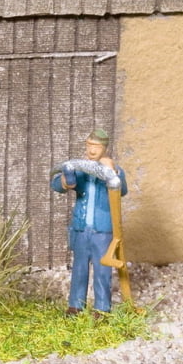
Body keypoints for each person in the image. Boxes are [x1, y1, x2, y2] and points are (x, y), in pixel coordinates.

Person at [50, 129, 127, 317]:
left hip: (103, 229)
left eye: (97, 147)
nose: (92, 150)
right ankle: (75, 305)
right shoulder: (80, 168)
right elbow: (56, 185)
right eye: (90, 146)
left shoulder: (112, 169)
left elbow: (122, 190)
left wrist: (113, 171)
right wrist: (65, 180)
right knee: (79, 267)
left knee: (102, 269)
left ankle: (102, 308)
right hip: (81, 228)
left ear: (105, 148)